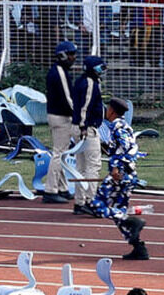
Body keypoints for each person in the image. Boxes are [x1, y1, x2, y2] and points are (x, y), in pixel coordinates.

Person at [87, 98, 147, 260]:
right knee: (118, 211)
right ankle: (139, 247)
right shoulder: (123, 126)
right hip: (126, 175)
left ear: (112, 111)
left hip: (119, 176)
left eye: (107, 108)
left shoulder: (118, 128)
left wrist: (115, 167)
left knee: (96, 205)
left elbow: (126, 148)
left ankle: (131, 221)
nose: (106, 111)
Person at [43, 41, 78, 204]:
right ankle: (50, 190)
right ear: (63, 55)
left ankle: (62, 188)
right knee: (59, 154)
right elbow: (67, 98)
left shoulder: (58, 70)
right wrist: (78, 116)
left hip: (57, 115)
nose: (73, 57)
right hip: (60, 117)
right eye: (71, 54)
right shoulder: (59, 72)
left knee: (62, 154)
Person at [72, 56, 107, 212]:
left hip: (78, 126)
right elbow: (84, 107)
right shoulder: (90, 83)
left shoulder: (81, 81)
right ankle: (91, 200)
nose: (102, 71)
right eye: (100, 68)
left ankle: (80, 201)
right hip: (87, 128)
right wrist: (83, 126)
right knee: (93, 165)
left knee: (81, 166)